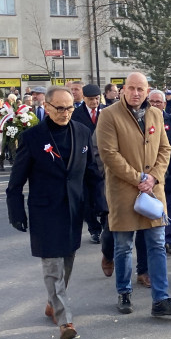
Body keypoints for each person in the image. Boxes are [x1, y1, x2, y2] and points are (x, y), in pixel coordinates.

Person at [6, 86, 104, 339]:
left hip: (73, 208)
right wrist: (15, 211)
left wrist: (101, 205)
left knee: (67, 262)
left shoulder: (83, 132)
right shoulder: (32, 137)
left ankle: (53, 302)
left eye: (69, 107)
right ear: (47, 108)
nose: (65, 112)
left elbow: (92, 173)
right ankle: (65, 320)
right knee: (52, 266)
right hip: (45, 211)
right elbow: (16, 180)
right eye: (59, 108)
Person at [97, 72, 171, 317]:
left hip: (153, 191)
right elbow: (109, 153)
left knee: (157, 244)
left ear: (147, 92)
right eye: (132, 88)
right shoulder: (108, 115)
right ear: (124, 89)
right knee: (124, 246)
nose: (136, 93)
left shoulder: (155, 114)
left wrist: (154, 176)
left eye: (141, 89)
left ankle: (161, 298)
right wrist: (138, 178)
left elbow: (165, 148)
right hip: (124, 191)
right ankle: (124, 292)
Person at [147, 88, 171, 255]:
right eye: (151, 101)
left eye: (158, 102)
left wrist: (167, 166)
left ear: (164, 104)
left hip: (169, 172)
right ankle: (153, 241)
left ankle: (169, 241)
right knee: (148, 209)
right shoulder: (142, 120)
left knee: (169, 208)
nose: (154, 104)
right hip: (147, 175)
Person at [72, 83, 106, 244]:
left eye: (97, 99)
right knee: (86, 199)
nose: (94, 102)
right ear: (84, 98)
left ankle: (107, 226)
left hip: (104, 161)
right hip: (84, 161)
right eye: (91, 99)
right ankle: (94, 229)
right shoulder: (76, 114)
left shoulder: (107, 111)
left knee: (104, 196)